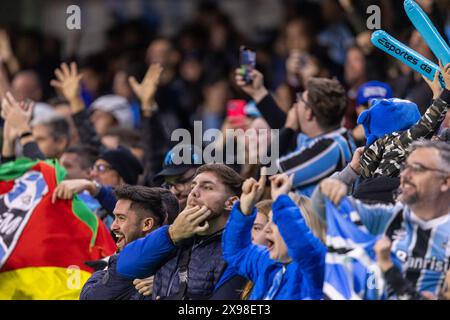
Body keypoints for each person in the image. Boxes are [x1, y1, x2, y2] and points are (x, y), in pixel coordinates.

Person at [312, 140, 450, 297]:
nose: (404, 175)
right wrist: (330, 186)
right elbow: (323, 208)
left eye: (417, 169)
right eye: (405, 167)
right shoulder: (388, 216)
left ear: (445, 181)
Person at [116, 163, 247, 300]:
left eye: (207, 187)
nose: (194, 192)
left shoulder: (235, 251)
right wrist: (171, 235)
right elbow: (125, 266)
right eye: (193, 186)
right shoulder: (173, 236)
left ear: (231, 203)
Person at [235, 69, 355, 196]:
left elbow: (265, 174)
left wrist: (288, 128)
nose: (295, 105)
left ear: (308, 113)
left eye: (299, 100)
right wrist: (258, 92)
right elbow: (289, 135)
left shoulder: (330, 148)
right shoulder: (332, 137)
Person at [223, 172, 326, 300]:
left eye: (276, 221)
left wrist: (282, 202)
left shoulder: (319, 270)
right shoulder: (269, 264)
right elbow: (237, 252)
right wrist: (245, 209)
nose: (267, 229)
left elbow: (306, 250)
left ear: (306, 228)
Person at [80, 185, 178, 300]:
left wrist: (167, 284)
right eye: (115, 218)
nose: (113, 226)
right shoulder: (113, 263)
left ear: (147, 224)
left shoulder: (182, 265)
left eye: (121, 218)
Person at [358, 63, 450, 179]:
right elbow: (424, 127)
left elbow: (427, 134)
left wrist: (437, 95)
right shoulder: (393, 144)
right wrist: (447, 91)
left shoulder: (383, 147)